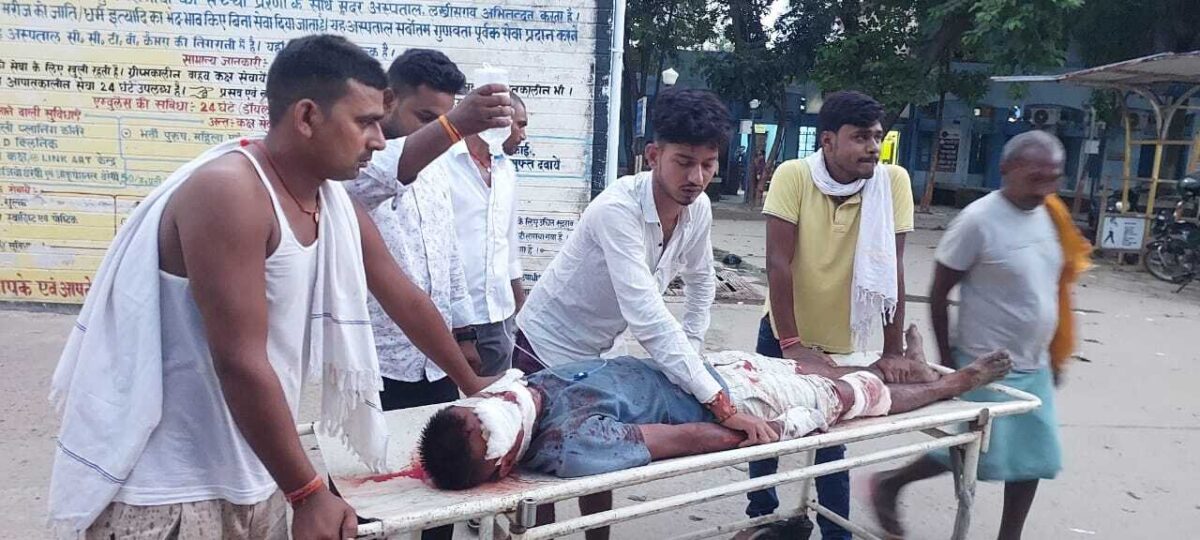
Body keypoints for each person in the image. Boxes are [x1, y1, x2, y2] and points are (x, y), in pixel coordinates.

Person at [47, 35, 494, 540]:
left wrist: (474, 383)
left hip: (257, 471)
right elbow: (240, 359)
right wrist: (307, 491)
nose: (377, 140)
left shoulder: (332, 203)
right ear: (306, 116)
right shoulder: (231, 191)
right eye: (365, 122)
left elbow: (405, 297)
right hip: (169, 488)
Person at [514, 87, 775, 539]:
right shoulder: (617, 210)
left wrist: (691, 353)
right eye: (683, 162)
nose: (696, 177)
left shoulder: (698, 209)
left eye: (708, 164)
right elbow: (647, 316)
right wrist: (717, 400)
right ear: (654, 155)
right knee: (541, 485)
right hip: (542, 349)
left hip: (600, 356)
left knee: (605, 464)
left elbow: (701, 283)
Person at [417, 327, 1012, 491]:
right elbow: (684, 440)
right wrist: (752, 429)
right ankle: (951, 385)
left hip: (705, 373)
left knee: (816, 372)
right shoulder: (570, 445)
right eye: (489, 426)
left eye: (479, 409)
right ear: (503, 464)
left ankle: (904, 366)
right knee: (851, 399)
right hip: (735, 405)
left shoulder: (516, 395)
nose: (496, 406)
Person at [870, 131, 1087, 540]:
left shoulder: (1052, 215)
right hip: (985, 362)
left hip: (1035, 362)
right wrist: (948, 364)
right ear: (1007, 169)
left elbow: (1055, 285)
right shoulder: (978, 221)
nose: (1045, 188)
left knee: (1033, 459)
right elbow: (939, 293)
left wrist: (1056, 355)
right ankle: (891, 483)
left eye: (1053, 178)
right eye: (1035, 177)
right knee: (969, 450)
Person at [343, 48, 511, 540]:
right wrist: (455, 125)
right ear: (388, 100)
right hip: (376, 364)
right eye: (424, 118)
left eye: (443, 118)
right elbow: (389, 171)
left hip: (436, 362)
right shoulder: (355, 165)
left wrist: (464, 334)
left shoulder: (438, 166)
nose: (437, 130)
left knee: (442, 487)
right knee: (368, 494)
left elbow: (448, 256)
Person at [749, 90, 922, 540]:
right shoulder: (793, 175)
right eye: (860, 137)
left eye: (877, 137)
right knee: (763, 430)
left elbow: (892, 269)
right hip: (783, 331)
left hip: (841, 337)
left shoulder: (892, 182)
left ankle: (835, 533)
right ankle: (761, 517)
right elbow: (778, 263)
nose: (873, 147)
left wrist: (893, 349)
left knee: (830, 442)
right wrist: (792, 345)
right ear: (827, 141)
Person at [442, 91, 528, 378]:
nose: (523, 135)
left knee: (497, 398)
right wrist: (460, 328)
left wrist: (520, 305)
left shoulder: (507, 171)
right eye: (520, 124)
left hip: (497, 316)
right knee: (444, 400)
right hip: (448, 317)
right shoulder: (443, 164)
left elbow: (509, 243)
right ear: (498, 122)